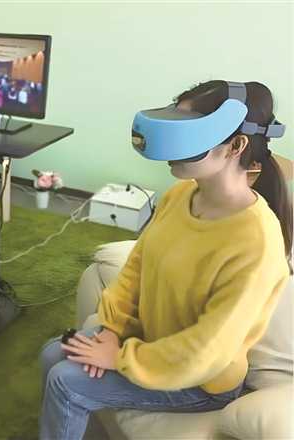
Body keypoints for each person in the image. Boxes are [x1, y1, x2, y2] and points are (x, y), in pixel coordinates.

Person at [39, 81, 292, 439]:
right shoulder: (180, 195)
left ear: (236, 146)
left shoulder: (257, 243)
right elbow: (136, 269)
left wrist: (120, 359)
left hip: (200, 381)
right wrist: (112, 330)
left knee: (66, 381)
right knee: (51, 354)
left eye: (189, 129)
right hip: (149, 340)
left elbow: (207, 351)